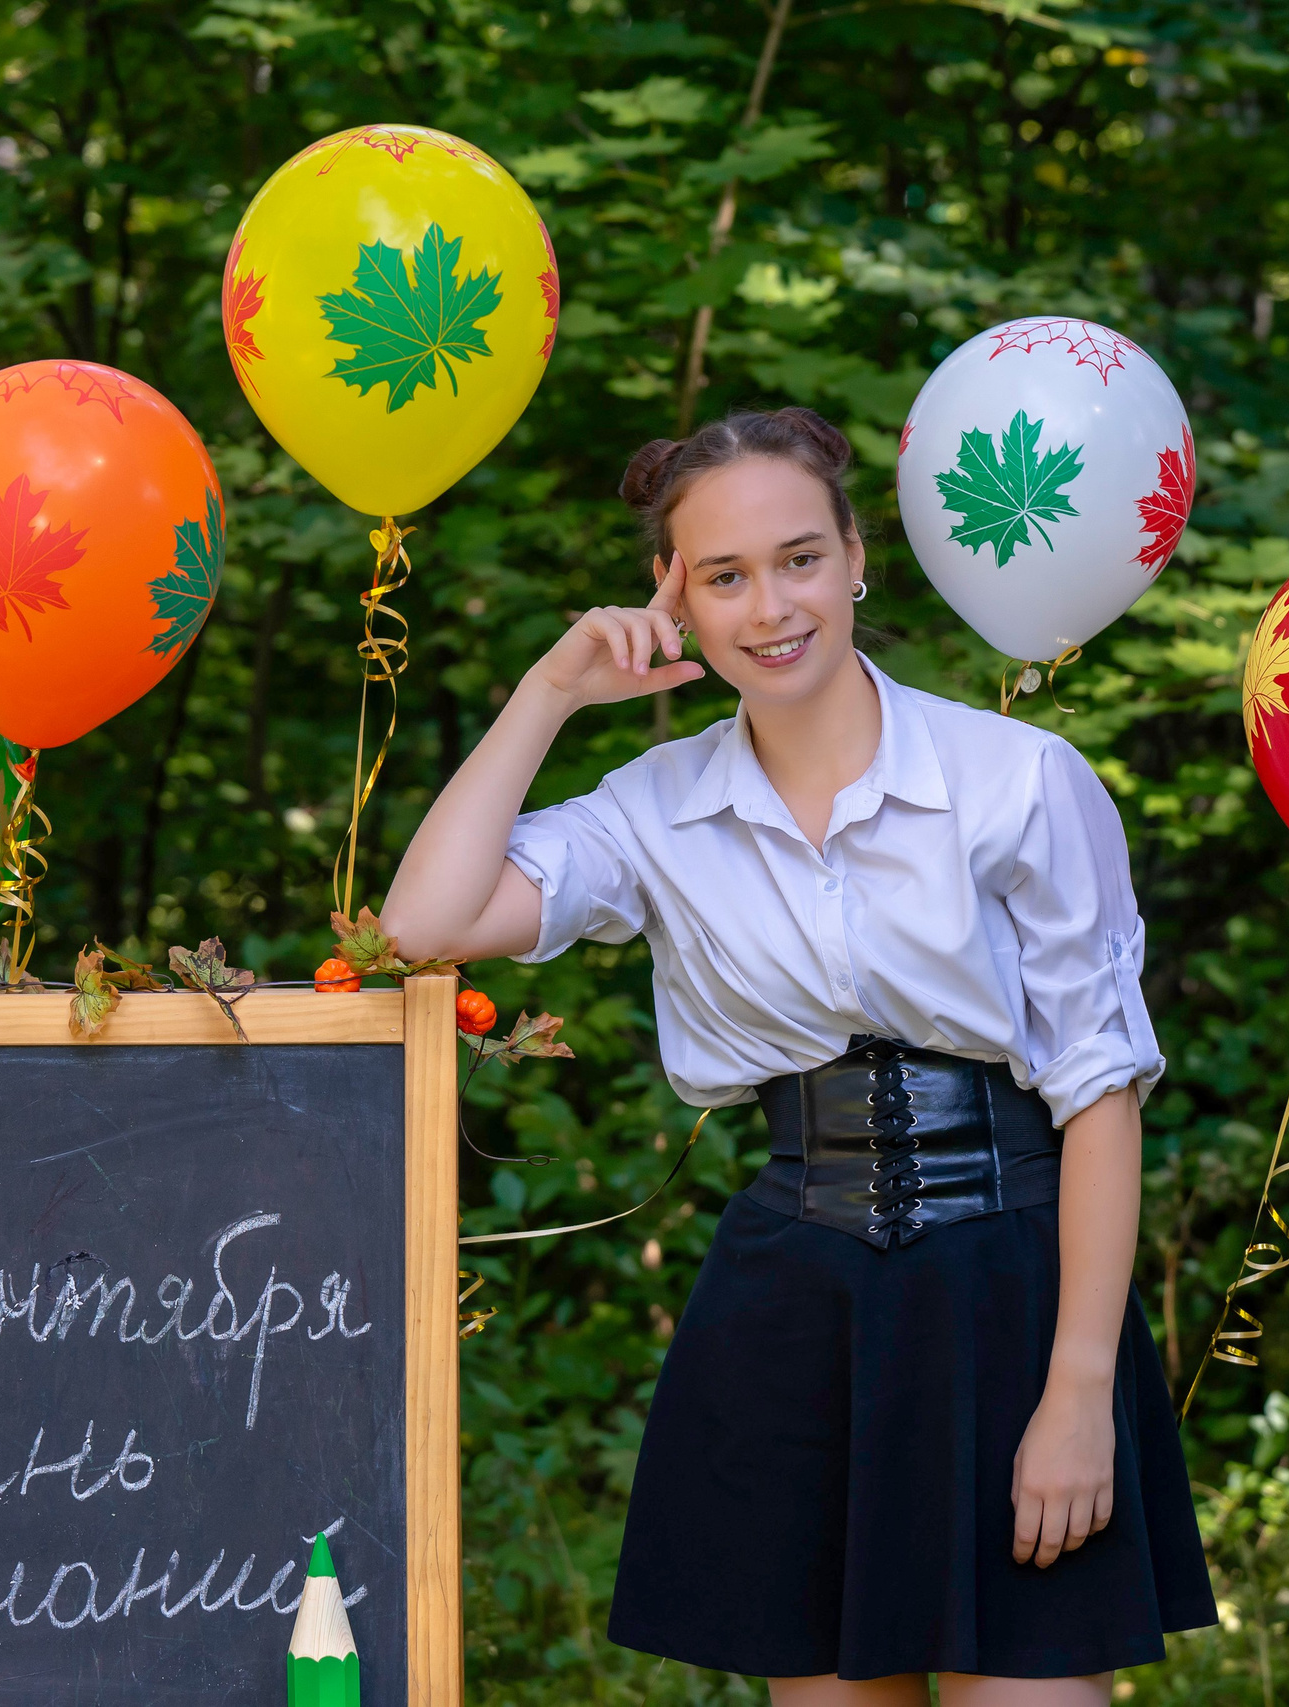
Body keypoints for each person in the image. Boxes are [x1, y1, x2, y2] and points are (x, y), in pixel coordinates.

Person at [381, 407, 1214, 1704]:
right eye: (724, 576)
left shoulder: (1021, 782)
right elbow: (422, 923)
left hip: (1017, 1301)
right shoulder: (655, 813)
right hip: (795, 1312)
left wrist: (1079, 1396)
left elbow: (1100, 1096)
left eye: (798, 559)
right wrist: (551, 690)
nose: (771, 606)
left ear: (855, 555)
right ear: (679, 599)